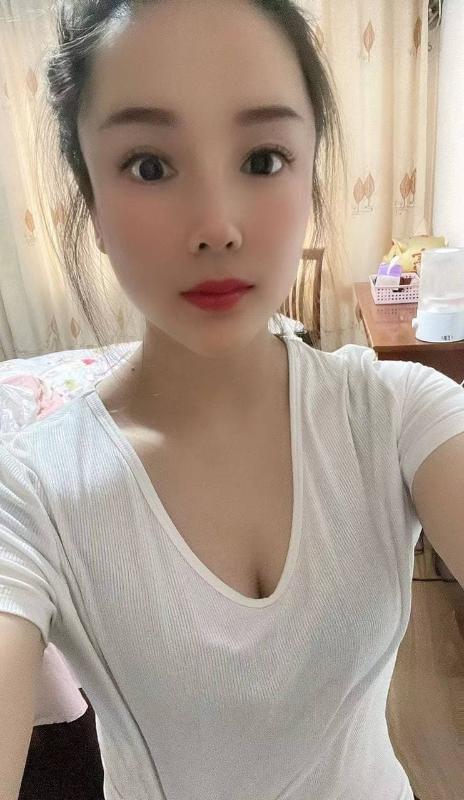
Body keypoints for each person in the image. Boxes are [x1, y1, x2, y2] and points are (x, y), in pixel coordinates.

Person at [1, 1, 463, 799]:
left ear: (310, 176)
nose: (216, 227)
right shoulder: (32, 491)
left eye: (263, 158)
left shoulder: (398, 413)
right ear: (93, 205)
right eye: (149, 166)